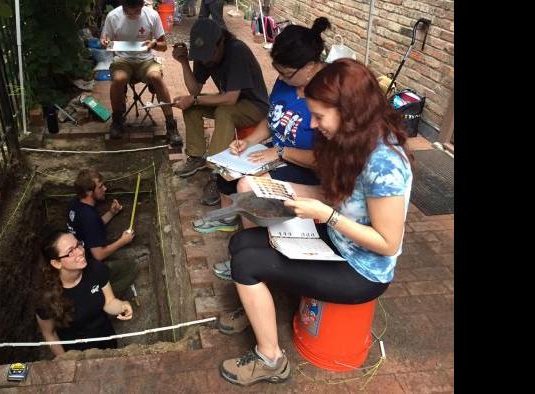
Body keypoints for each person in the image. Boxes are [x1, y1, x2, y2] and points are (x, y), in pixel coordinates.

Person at [217, 58, 414, 386]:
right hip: (337, 239)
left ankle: (271, 360)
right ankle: (256, 308)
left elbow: (388, 242)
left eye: (319, 116)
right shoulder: (351, 142)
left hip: (361, 270)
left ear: (349, 112)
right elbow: (332, 193)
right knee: (240, 243)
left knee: (247, 263)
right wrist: (279, 190)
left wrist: (327, 216)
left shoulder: (386, 165)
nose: (311, 125)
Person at [189, 20, 331, 284]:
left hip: (306, 167)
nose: (282, 78)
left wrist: (278, 153)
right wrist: (249, 142)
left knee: (248, 187)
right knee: (226, 170)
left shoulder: (331, 92)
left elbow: (328, 160)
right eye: (278, 72)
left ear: (310, 67)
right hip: (276, 154)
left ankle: (256, 260)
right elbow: (272, 119)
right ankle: (232, 222)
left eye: (287, 73)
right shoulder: (287, 81)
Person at [172, 18, 269, 206]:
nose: (206, 60)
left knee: (224, 112)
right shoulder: (203, 54)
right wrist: (184, 62)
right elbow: (194, 91)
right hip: (228, 99)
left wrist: (194, 99)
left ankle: (217, 175)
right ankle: (197, 156)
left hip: (254, 105)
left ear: (222, 41)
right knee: (192, 106)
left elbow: (231, 98)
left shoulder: (237, 51)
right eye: (202, 56)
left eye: (210, 54)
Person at [35, 228, 133, 355]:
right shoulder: (45, 298)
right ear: (56, 263)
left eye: (78, 245)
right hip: (78, 353)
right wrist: (65, 360)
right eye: (71, 252)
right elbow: (50, 333)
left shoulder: (96, 269)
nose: (81, 252)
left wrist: (123, 305)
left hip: (106, 339)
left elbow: (109, 302)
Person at [100, 0, 182, 146]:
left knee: (156, 77)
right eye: (128, 12)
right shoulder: (113, 16)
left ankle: (171, 125)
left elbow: (164, 46)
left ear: (142, 5)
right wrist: (105, 42)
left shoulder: (152, 15)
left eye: (136, 11)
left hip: (146, 60)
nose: (132, 15)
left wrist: (154, 44)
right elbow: (104, 40)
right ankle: (117, 120)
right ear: (122, 5)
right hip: (122, 60)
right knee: (119, 79)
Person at [66, 168, 138, 296]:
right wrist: (123, 241)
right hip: (89, 266)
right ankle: (103, 297)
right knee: (132, 267)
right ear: (89, 191)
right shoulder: (89, 217)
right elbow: (99, 255)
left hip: (82, 259)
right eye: (100, 186)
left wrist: (111, 213)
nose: (105, 188)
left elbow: (92, 228)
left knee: (118, 257)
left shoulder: (75, 204)